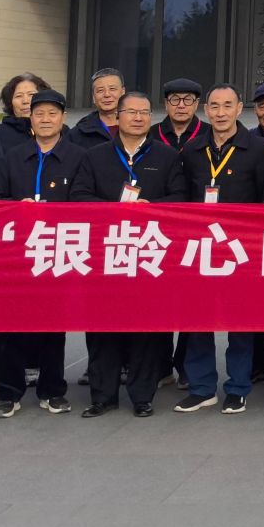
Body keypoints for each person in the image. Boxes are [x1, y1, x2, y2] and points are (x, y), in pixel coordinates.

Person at [71, 91, 182, 417]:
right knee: (102, 328)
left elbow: (180, 198)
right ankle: (102, 396)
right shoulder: (95, 156)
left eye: (144, 112)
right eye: (131, 112)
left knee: (145, 329)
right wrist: (113, 210)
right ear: (117, 117)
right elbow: (78, 196)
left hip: (149, 254)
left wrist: (153, 208)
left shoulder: (166, 156)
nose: (138, 117)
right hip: (106, 254)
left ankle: (142, 396)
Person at [177, 85, 264, 414]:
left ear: (239, 108)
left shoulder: (260, 149)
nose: (220, 113)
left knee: (240, 321)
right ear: (206, 110)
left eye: (227, 105)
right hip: (200, 248)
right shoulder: (192, 150)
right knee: (197, 320)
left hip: (240, 249)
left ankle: (238, 387)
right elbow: (182, 197)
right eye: (215, 106)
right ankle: (202, 387)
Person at [0, 87, 81, 414]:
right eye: (39, 114)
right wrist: (16, 207)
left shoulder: (78, 157)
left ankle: (52, 390)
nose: (45, 119)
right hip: (17, 252)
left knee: (53, 325)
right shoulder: (12, 157)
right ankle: (8, 393)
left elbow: (85, 201)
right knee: (11, 323)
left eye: (52, 113)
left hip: (58, 249)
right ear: (30, 119)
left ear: (63, 118)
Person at [0, 73, 51, 159]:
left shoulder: (59, 131)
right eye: (18, 96)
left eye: (31, 95)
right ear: (10, 102)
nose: (25, 101)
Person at [68, 67, 124, 147]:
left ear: (123, 92)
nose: (107, 94)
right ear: (94, 97)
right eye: (100, 90)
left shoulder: (138, 126)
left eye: (112, 89)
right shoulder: (78, 134)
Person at [155, 77, 209, 156]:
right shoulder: (151, 134)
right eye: (175, 99)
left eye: (187, 100)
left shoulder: (209, 133)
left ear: (196, 104)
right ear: (166, 103)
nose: (181, 105)